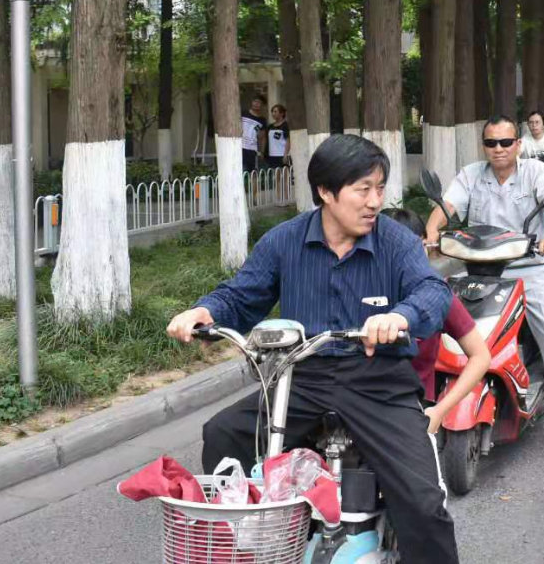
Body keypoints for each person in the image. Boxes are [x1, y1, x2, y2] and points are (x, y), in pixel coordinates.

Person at [166, 135, 459, 564]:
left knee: (421, 500)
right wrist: (203, 311)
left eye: (379, 189)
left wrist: (401, 317)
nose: (374, 201)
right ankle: (250, 541)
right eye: (363, 189)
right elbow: (241, 295)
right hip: (300, 378)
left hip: (378, 383)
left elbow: (431, 290)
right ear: (325, 191)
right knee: (223, 432)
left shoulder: (395, 242)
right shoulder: (284, 241)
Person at [423, 115, 544, 449]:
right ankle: (421, 404)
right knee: (429, 317)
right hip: (479, 268)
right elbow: (447, 205)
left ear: (518, 144)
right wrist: (432, 231)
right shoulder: (472, 174)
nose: (499, 149)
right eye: (491, 143)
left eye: (506, 142)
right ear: (484, 146)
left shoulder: (536, 172)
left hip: (530, 266)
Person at [384, 208, 493, 431]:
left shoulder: (436, 293)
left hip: (411, 408)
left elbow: (480, 356)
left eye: (416, 248)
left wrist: (440, 410)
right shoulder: (356, 286)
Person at [240, 96, 266, 173]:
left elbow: (262, 137)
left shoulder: (262, 120)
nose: (256, 104)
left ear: (262, 105)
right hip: (240, 146)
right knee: (239, 169)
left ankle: (251, 185)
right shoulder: (243, 113)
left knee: (251, 171)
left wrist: (262, 151)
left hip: (251, 149)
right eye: (255, 101)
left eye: (259, 102)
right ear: (252, 102)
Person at [265, 103, 291, 169]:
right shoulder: (270, 127)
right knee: (276, 175)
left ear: (282, 113)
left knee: (284, 173)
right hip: (271, 155)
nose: (273, 114)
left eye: (275, 111)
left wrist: (285, 155)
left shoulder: (285, 125)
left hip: (281, 154)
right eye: (272, 112)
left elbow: (288, 141)